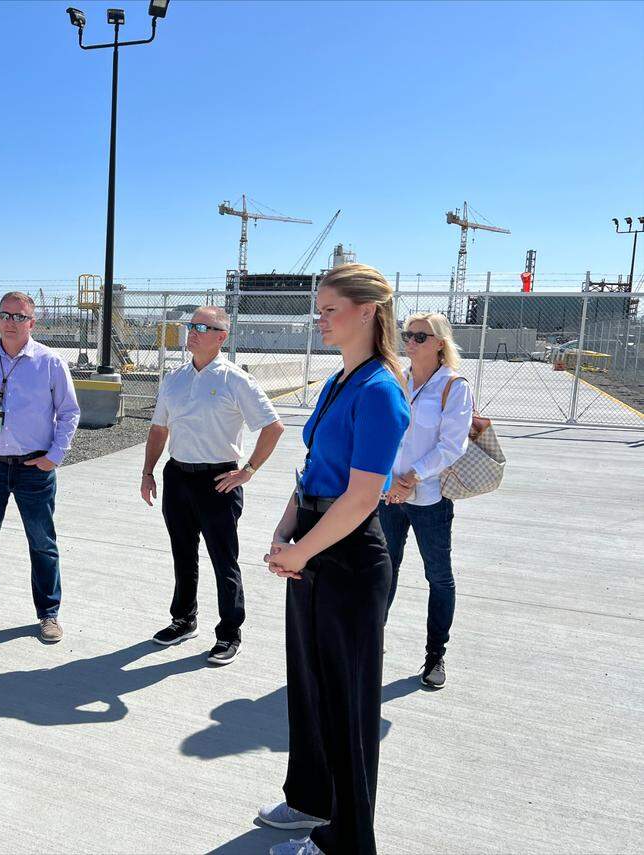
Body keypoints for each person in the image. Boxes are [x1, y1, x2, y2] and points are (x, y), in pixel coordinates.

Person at [259, 263, 410, 855]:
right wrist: (286, 529)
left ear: (368, 310)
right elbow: (315, 472)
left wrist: (303, 549)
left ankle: (346, 841)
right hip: (315, 540)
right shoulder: (336, 383)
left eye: (329, 309)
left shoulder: (380, 390)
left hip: (348, 557)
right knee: (309, 683)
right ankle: (309, 800)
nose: (319, 318)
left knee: (347, 706)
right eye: (318, 309)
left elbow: (363, 495)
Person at [140, 306, 284, 665]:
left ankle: (229, 632)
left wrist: (248, 470)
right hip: (178, 477)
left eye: (204, 327)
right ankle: (183, 619)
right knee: (182, 554)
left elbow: (272, 426)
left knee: (224, 560)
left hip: (218, 479)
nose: (193, 331)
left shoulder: (235, 380)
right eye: (191, 325)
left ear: (222, 336)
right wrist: (148, 472)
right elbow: (159, 428)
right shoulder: (174, 379)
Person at [0, 291, 80, 643]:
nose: (11, 322)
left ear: (32, 322)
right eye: (5, 315)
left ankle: (48, 614)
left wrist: (55, 456)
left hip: (33, 468)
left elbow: (69, 412)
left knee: (42, 542)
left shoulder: (50, 362)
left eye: (19, 317)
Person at [380, 312, 472, 689]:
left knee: (438, 576)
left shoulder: (453, 386)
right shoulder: (397, 380)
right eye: (408, 335)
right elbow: (385, 433)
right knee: (384, 570)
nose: (412, 341)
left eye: (421, 336)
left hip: (429, 497)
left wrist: (412, 477)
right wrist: (390, 482)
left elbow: (452, 445)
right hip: (390, 494)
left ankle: (436, 654)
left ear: (440, 343)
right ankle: (372, 641)